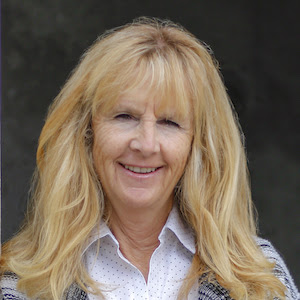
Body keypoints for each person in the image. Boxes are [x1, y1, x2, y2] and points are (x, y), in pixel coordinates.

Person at [0, 17, 298, 300]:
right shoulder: (21, 282)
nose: (145, 144)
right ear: (86, 131)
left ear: (198, 143)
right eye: (124, 116)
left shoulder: (261, 278)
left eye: (169, 122)